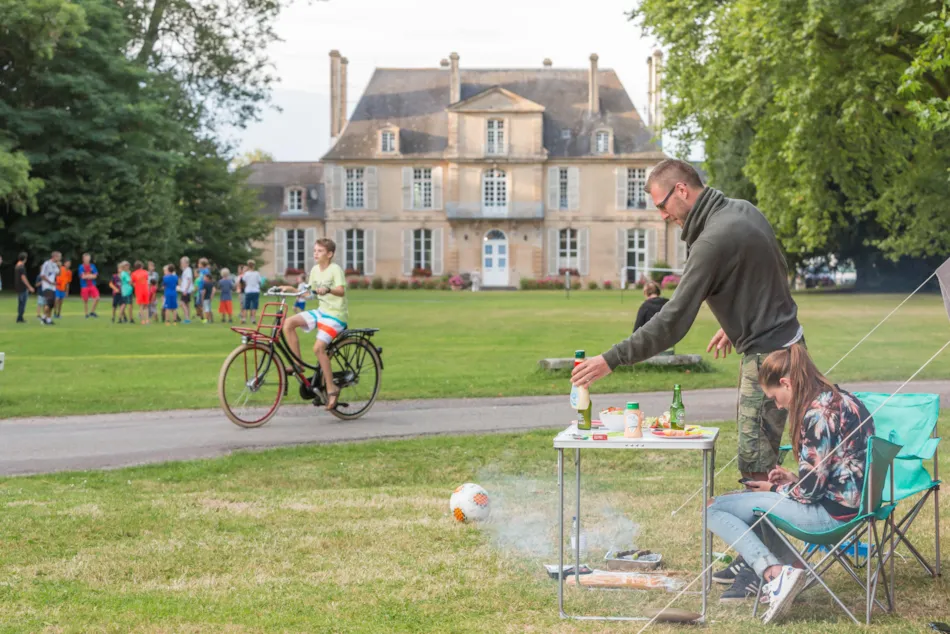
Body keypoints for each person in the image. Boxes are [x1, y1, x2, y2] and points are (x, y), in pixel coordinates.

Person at [706, 344, 875, 621]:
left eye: (775, 396)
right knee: (751, 506)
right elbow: (835, 473)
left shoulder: (817, 414)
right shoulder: (844, 398)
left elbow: (808, 494)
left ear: (785, 382)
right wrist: (794, 479)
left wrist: (774, 489)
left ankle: (774, 573)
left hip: (831, 517)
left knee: (713, 508)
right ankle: (795, 567)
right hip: (854, 508)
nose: (778, 405)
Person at [279, 239, 348, 410]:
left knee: (318, 349)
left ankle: (332, 389)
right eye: (314, 250)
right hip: (321, 311)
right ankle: (299, 364)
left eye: (320, 251)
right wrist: (292, 289)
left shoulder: (335, 269)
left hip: (335, 316)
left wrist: (328, 290)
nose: (315, 253)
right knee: (288, 323)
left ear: (329, 254)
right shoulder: (315, 270)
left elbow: (341, 290)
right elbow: (309, 294)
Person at [39, 251, 61, 325]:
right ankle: (43, 317)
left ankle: (48, 319)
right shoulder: (46, 263)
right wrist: (50, 282)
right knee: (49, 302)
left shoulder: (55, 265)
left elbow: (58, 274)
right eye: (59, 257)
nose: (59, 258)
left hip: (53, 287)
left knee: (52, 304)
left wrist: (59, 266)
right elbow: (42, 275)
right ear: (54, 257)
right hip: (47, 286)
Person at [78, 253, 100, 318]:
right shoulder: (81, 267)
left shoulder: (92, 266)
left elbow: (95, 275)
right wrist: (90, 276)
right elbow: (82, 277)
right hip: (84, 285)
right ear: (83, 259)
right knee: (85, 300)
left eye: (88, 258)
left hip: (92, 285)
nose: (87, 259)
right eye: (86, 258)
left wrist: (88, 276)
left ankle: (92, 312)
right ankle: (86, 314)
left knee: (97, 298)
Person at [14, 252, 34, 323]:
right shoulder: (21, 267)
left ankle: (20, 317)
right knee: (23, 303)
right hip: (22, 287)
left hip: (18, 287)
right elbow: (23, 278)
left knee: (20, 303)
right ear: (25, 258)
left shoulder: (17, 266)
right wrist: (29, 287)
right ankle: (20, 318)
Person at [178, 256, 194, 324]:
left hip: (186, 290)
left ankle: (187, 318)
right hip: (185, 289)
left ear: (186, 263)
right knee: (187, 304)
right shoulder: (185, 270)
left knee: (182, 303)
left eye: (182, 263)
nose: (181, 264)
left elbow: (189, 280)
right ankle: (187, 318)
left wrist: (186, 290)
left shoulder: (188, 270)